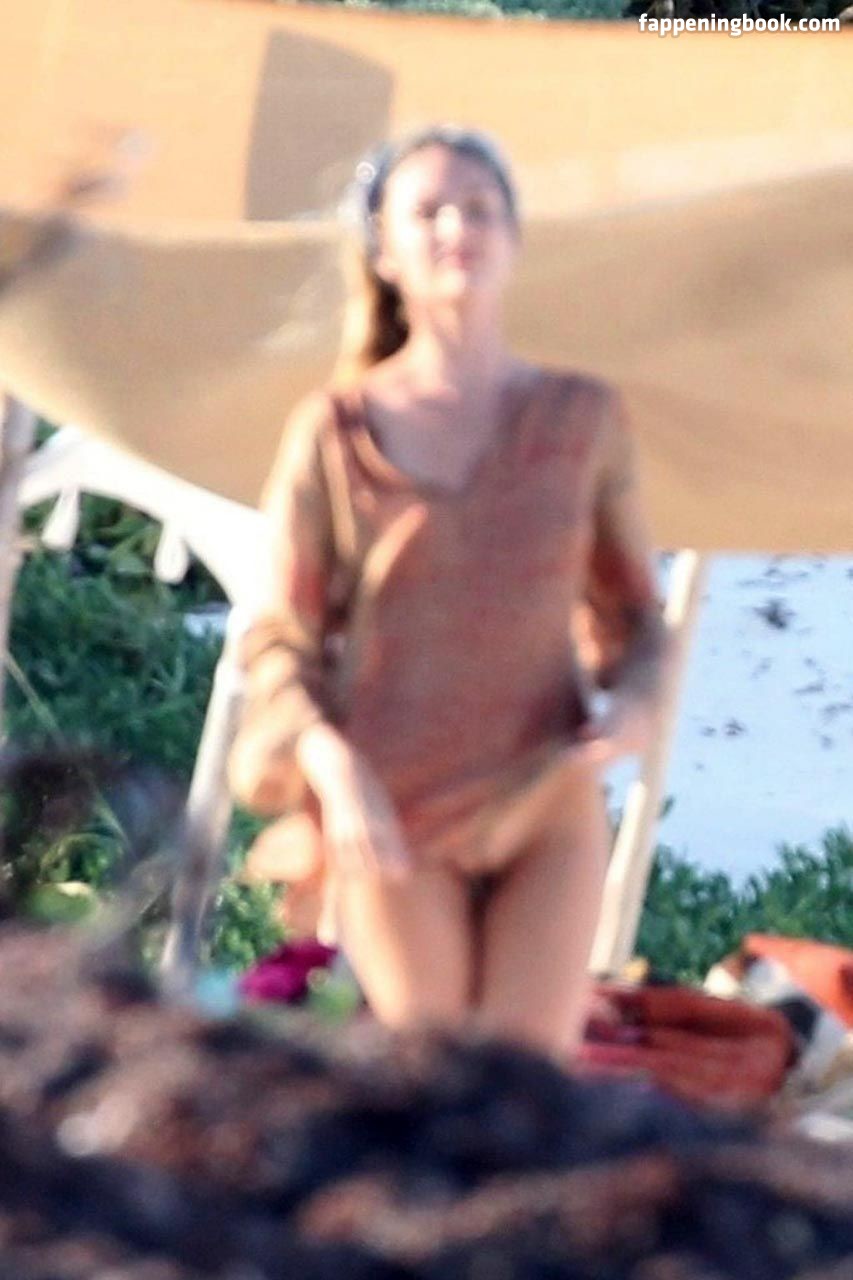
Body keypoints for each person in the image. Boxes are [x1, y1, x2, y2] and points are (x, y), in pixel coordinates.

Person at [228, 123, 671, 1060]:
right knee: (438, 1081)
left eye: (477, 209)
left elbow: (636, 620)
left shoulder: (581, 419)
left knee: (524, 1085)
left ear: (513, 238)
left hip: (546, 795)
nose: (455, 229)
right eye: (427, 212)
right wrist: (330, 766)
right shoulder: (335, 432)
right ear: (383, 253)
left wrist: (634, 703)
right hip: (394, 804)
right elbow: (277, 640)